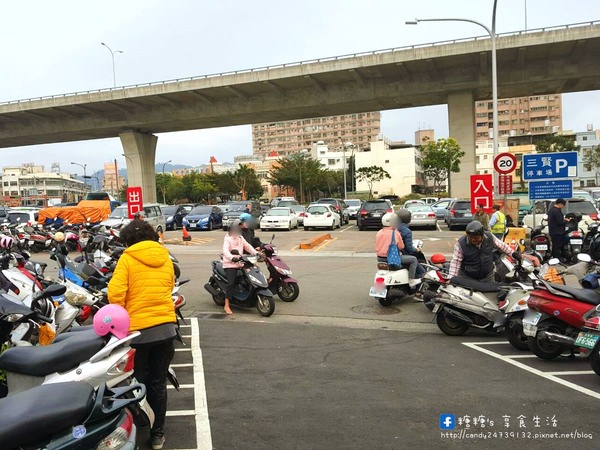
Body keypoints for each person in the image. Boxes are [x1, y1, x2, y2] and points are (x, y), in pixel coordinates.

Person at [107, 219, 176, 450]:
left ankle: (138, 429)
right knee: (158, 383)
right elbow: (169, 286)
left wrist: (123, 314)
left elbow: (115, 294)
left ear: (128, 240)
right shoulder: (164, 257)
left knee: (138, 382)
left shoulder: (127, 258)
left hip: (138, 332)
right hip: (166, 328)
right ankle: (157, 435)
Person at [448, 221, 520, 282]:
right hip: (468, 278)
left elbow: (502, 246)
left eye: (476, 237)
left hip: (487, 276)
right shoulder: (461, 244)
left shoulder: (489, 237)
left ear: (482, 235)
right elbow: (456, 262)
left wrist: (513, 253)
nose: (473, 239)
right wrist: (451, 278)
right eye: (470, 237)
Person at [375, 212, 420, 288]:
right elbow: (401, 247)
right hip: (391, 258)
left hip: (380, 259)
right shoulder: (395, 233)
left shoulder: (379, 233)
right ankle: (411, 280)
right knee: (413, 260)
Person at [222, 220, 258, 315]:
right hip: (230, 264)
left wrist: (256, 253)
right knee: (231, 283)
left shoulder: (240, 238)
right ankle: (226, 305)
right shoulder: (227, 239)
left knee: (250, 277)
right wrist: (232, 258)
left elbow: (248, 246)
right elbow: (225, 251)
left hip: (240, 263)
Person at [396, 208, 425, 278]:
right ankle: (412, 280)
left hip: (394, 254)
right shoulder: (406, 231)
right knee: (422, 271)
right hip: (402, 254)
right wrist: (417, 250)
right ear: (408, 219)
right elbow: (409, 248)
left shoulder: (394, 228)